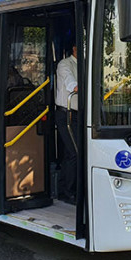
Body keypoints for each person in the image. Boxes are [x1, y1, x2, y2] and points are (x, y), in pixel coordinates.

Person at [55, 44, 78, 205]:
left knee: (75, 152)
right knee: (73, 152)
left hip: (79, 114)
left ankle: (71, 188)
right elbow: (72, 85)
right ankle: (66, 192)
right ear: (74, 48)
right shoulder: (65, 65)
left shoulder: (84, 63)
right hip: (66, 114)